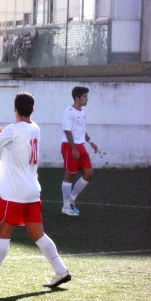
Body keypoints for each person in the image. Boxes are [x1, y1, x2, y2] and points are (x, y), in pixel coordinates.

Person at [0, 92, 71, 288]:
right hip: (32, 192)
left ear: (15, 109)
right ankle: (61, 270)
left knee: (2, 232)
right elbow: (11, 140)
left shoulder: (13, 130)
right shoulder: (34, 128)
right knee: (38, 234)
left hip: (14, 193)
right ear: (32, 110)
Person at [60, 86, 98, 216]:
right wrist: (74, 149)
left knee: (89, 174)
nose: (87, 99)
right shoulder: (68, 112)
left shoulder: (81, 112)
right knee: (70, 175)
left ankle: (71, 200)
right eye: (85, 96)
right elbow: (67, 131)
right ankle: (66, 207)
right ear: (77, 98)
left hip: (80, 146)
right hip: (70, 146)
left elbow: (81, 130)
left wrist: (91, 142)